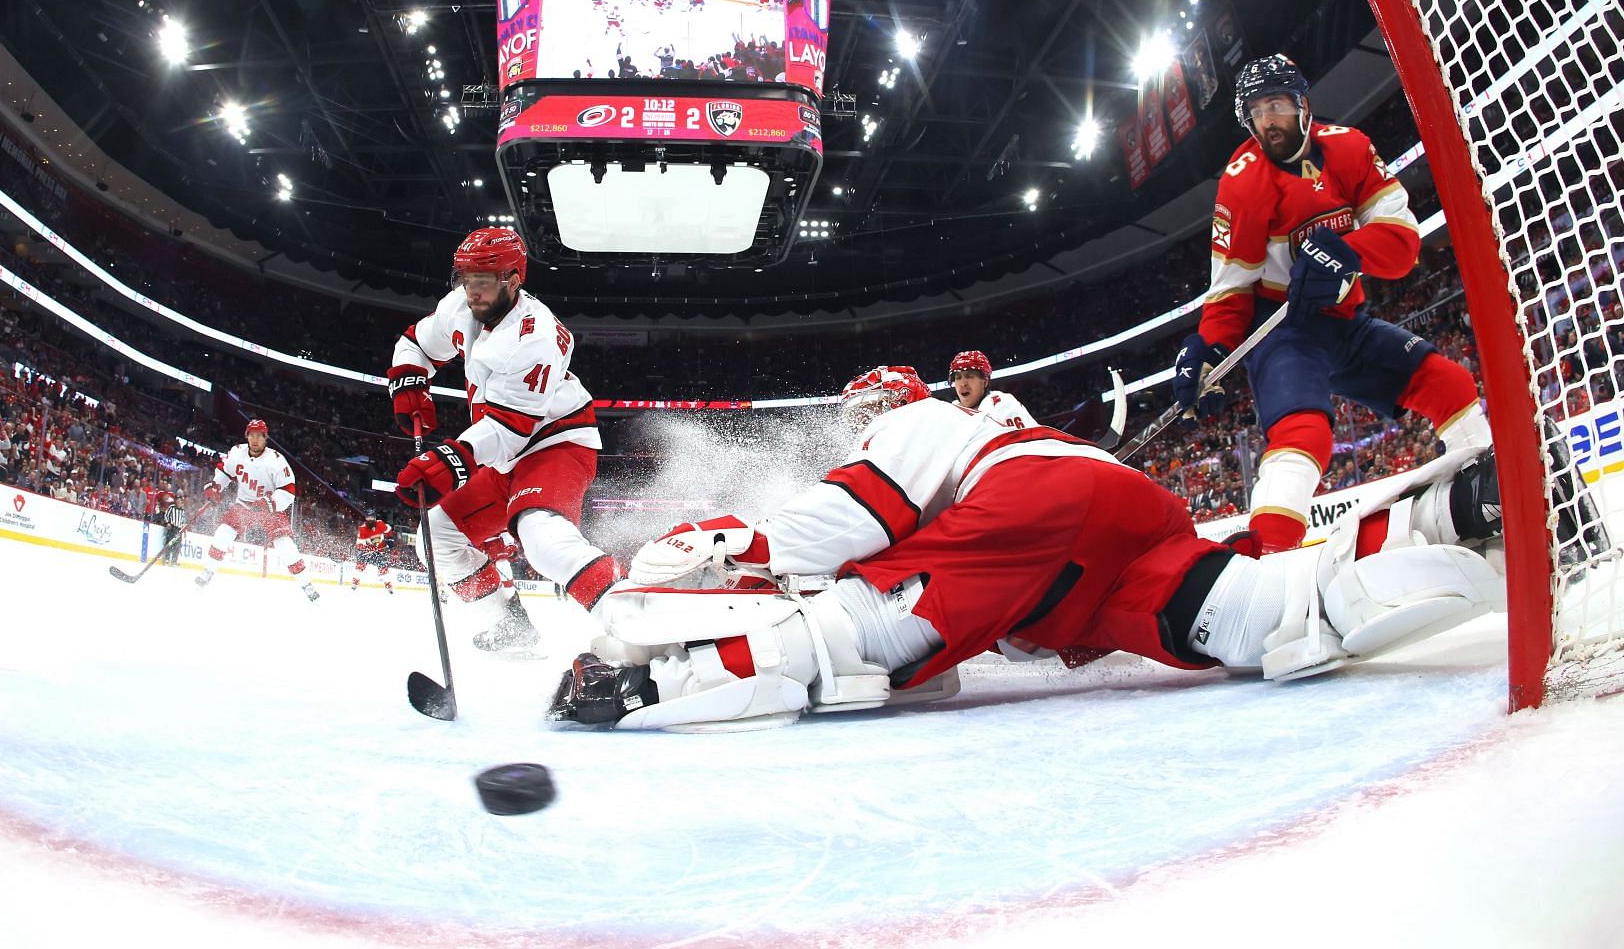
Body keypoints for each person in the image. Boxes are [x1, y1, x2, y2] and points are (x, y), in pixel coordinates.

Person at [549, 365, 1504, 732]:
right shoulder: (988, 436)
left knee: (858, 632)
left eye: (863, 413)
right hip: (1104, 544)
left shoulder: (915, 423)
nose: (861, 424)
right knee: (1272, 616)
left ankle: (652, 691)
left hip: (1037, 514)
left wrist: (750, 542)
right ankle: (1460, 513)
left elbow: (847, 524)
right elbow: (947, 671)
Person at [1170, 55, 1492, 555]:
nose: (1267, 122)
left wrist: (1348, 252)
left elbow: (1403, 242)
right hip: (1286, 331)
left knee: (1448, 382)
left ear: (1303, 105)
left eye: (1276, 106)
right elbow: (1230, 291)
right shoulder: (1242, 182)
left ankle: (1495, 487)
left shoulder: (1352, 148)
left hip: (1347, 323)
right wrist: (1209, 349)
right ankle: (1266, 562)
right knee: (1305, 433)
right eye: (1256, 113)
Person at [386, 226, 617, 658]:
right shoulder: (460, 305)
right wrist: (409, 381)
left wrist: (449, 461)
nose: (471, 290)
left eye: (483, 280)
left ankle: (632, 624)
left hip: (554, 443)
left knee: (541, 538)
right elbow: (416, 341)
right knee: (434, 537)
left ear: (514, 279)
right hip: (501, 455)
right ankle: (511, 628)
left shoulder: (535, 336)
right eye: (465, 277)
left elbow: (512, 428)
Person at [195, 419, 319, 602]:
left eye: (259, 436)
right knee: (222, 535)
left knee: (285, 546)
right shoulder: (237, 452)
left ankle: (306, 585)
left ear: (265, 438)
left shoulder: (276, 460)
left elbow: (289, 490)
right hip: (244, 504)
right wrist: (215, 487)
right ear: (247, 436)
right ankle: (207, 572)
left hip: (269, 509)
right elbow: (224, 472)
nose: (254, 439)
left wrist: (270, 503)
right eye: (251, 435)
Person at [945, 350, 1036, 435]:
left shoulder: (1003, 404)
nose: (963, 384)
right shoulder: (949, 414)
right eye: (958, 378)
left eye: (969, 376)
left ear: (985, 381)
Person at [352, 514, 395, 594]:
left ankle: (388, 585)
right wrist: (364, 546)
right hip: (366, 551)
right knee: (360, 566)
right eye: (368, 518)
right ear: (366, 519)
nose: (370, 519)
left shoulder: (380, 524)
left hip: (379, 551)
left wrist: (390, 539)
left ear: (375, 518)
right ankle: (355, 582)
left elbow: (388, 529)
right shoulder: (362, 529)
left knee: (383, 568)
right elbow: (359, 543)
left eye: (372, 518)